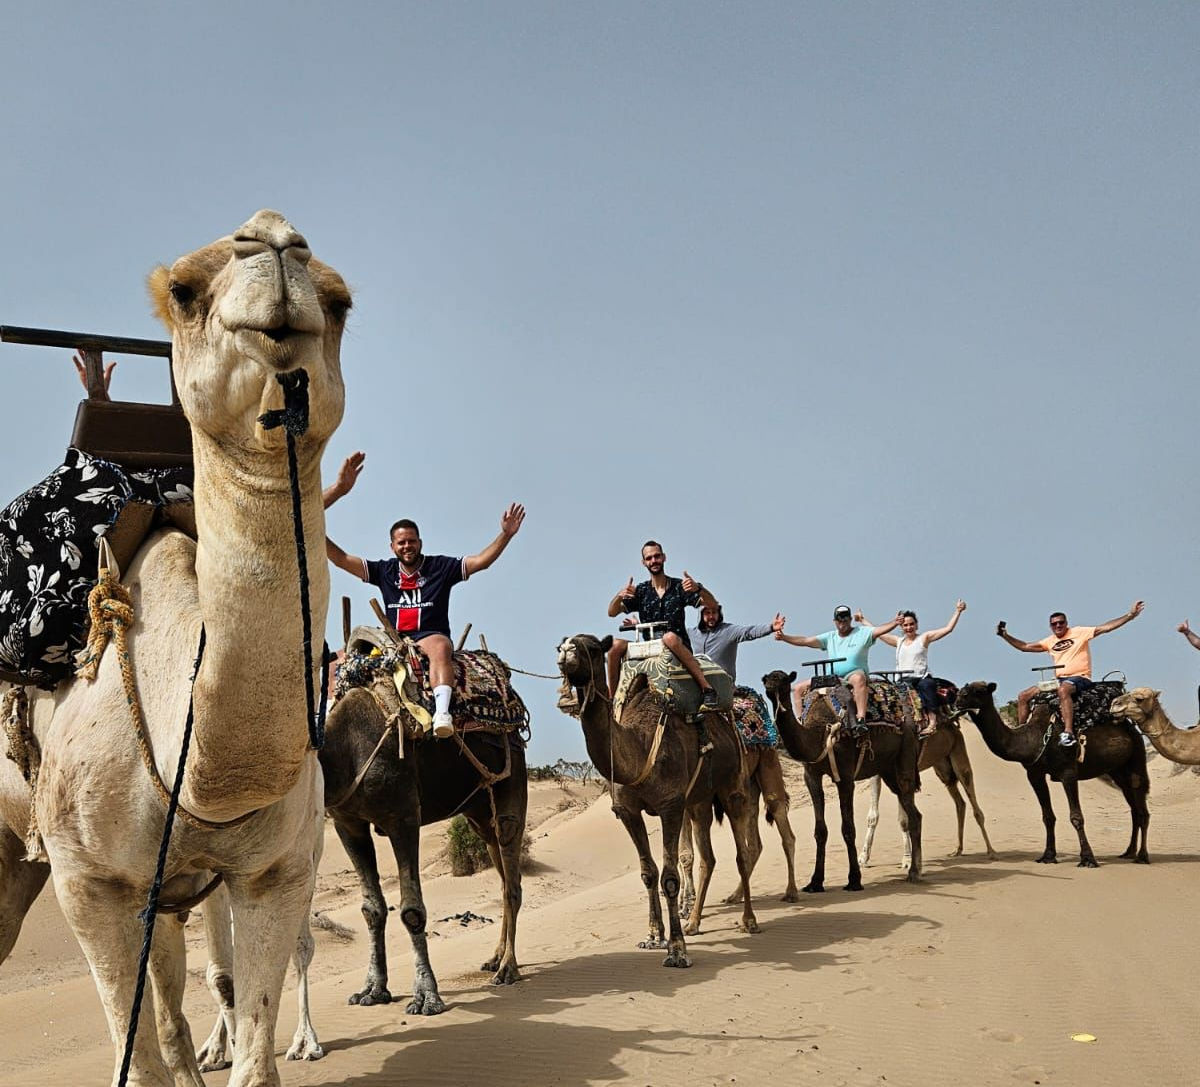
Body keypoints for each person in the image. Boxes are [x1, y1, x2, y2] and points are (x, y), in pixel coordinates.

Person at [323, 451, 526, 738]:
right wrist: (315, 531)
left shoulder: (440, 567)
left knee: (441, 648)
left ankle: (442, 713)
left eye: (411, 541)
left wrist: (505, 534)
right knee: (339, 661)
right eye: (401, 543)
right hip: (392, 641)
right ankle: (327, 721)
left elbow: (481, 561)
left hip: (429, 636)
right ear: (393, 546)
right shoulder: (384, 571)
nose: (407, 546)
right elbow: (341, 559)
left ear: (420, 542)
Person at [998, 601, 1144, 746]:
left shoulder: (1079, 633)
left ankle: (1068, 733)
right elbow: (1024, 646)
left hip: (1080, 677)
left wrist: (1130, 615)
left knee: (1063, 690)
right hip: (1059, 679)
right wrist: (1005, 636)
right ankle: (1022, 731)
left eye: (1061, 622)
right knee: (1023, 696)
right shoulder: (1050, 641)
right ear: (1050, 626)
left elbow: (1106, 627)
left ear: (1066, 623)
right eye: (1054, 624)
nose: (1058, 626)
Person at [606, 540, 720, 707]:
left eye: (657, 556)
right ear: (644, 562)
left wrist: (698, 589)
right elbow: (612, 612)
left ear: (664, 557)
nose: (654, 561)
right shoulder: (641, 591)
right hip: (649, 647)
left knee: (669, 638)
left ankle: (707, 688)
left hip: (676, 645)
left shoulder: (679, 587)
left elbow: (712, 604)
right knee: (614, 646)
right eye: (649, 558)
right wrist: (619, 595)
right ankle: (612, 699)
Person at [774, 605, 903, 725]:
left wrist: (895, 622)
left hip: (852, 674)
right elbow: (805, 641)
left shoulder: (862, 633)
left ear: (850, 620)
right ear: (835, 621)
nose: (842, 623)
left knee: (859, 679)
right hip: (832, 677)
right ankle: (801, 723)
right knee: (798, 688)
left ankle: (860, 718)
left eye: (845, 620)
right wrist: (784, 637)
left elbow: (880, 630)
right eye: (839, 620)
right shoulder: (830, 637)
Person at [856, 601, 966, 736]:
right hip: (902, 680)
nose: (909, 627)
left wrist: (958, 611)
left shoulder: (924, 638)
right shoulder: (898, 641)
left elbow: (948, 629)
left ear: (916, 625)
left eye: (911, 624)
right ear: (901, 627)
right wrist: (862, 620)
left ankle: (932, 722)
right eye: (905, 625)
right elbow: (877, 632)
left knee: (927, 686)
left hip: (921, 678)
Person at [687, 603, 785, 684]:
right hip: (696, 683)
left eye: (714, 613)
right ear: (701, 615)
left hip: (722, 683)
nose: (711, 616)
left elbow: (748, 632)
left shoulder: (728, 631)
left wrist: (771, 628)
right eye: (707, 613)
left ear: (719, 614)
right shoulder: (691, 634)